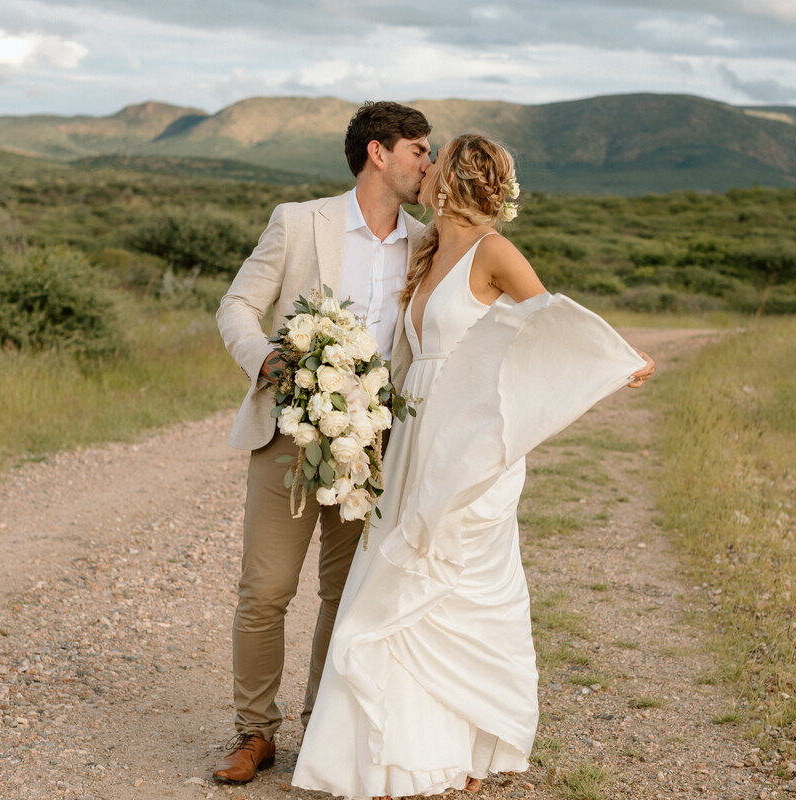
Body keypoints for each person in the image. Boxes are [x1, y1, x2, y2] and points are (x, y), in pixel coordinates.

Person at [292, 133, 655, 798]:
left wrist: (619, 355)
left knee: (458, 580)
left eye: (434, 163)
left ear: (455, 180)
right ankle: (399, 750)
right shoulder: (428, 249)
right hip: (413, 436)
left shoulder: (495, 251)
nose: (423, 172)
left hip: (467, 442)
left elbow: (551, 321)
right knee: (396, 576)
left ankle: (467, 740)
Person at [212, 101, 433, 784]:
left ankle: (324, 732)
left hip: (373, 445)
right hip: (288, 430)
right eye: (419, 150)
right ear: (378, 152)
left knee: (348, 593)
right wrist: (264, 358)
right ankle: (254, 733)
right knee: (266, 590)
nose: (428, 162)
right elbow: (237, 305)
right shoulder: (298, 221)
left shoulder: (426, 242)